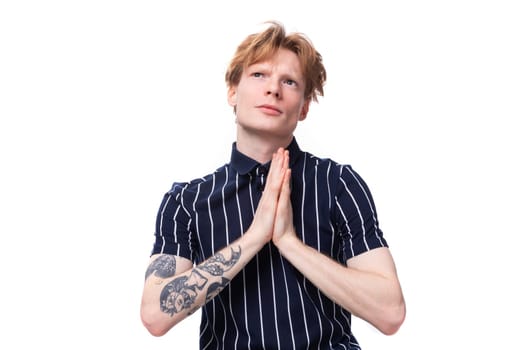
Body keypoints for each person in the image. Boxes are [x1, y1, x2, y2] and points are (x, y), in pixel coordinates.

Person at [140, 21, 405, 349]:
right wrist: (254, 237)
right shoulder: (187, 201)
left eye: (290, 82)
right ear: (232, 91)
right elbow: (155, 314)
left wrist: (288, 242)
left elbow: (390, 312)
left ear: (304, 107)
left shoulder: (338, 184)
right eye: (259, 75)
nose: (273, 89)